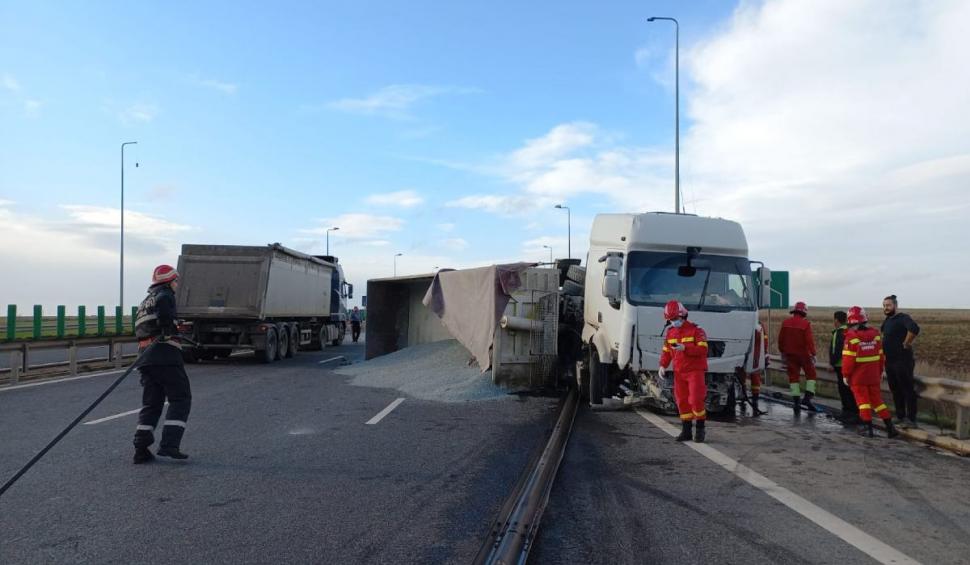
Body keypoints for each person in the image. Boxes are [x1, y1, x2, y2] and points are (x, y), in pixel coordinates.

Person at [132, 264, 192, 464]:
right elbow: (164, 316)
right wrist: (169, 328)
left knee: (151, 403)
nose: (177, 285)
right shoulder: (165, 295)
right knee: (181, 398)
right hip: (165, 355)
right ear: (170, 281)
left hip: (145, 358)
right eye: (176, 281)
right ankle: (169, 445)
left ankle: (141, 448)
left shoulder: (144, 302)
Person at [842, 306, 898, 439]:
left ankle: (868, 429)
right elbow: (880, 356)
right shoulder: (876, 336)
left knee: (863, 402)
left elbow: (848, 360)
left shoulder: (851, 338)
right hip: (873, 375)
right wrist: (880, 372)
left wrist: (845, 375)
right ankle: (890, 428)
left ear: (850, 322)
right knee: (877, 402)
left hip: (858, 377)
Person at [659, 300, 710, 443]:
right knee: (681, 401)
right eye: (670, 320)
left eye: (675, 319)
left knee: (695, 400)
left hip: (695, 371)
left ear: (683, 316)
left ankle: (700, 428)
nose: (673, 322)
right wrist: (662, 365)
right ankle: (686, 431)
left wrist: (685, 348)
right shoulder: (670, 333)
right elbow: (666, 352)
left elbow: (703, 349)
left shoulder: (696, 330)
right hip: (679, 372)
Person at [881, 295, 920, 428]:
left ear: (895, 306)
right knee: (895, 389)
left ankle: (911, 419)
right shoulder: (887, 320)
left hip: (902, 361)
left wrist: (906, 342)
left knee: (907, 389)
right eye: (884, 305)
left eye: (888, 305)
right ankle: (900, 416)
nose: (886, 308)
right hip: (890, 361)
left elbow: (914, 328)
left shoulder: (903, 318)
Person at [778, 301, 818, 413]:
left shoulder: (785, 323)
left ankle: (796, 402)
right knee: (811, 375)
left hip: (790, 355)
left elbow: (780, 340)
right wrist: (813, 354)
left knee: (793, 378)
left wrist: (783, 352)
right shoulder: (805, 324)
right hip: (804, 355)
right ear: (804, 312)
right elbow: (809, 341)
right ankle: (807, 398)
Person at [830, 310, 859, 424]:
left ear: (836, 320)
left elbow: (837, 350)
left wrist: (832, 363)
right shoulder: (848, 331)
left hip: (841, 365)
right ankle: (851, 411)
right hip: (849, 365)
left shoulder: (839, 332)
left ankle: (848, 411)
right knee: (848, 389)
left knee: (844, 390)